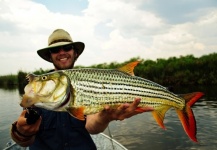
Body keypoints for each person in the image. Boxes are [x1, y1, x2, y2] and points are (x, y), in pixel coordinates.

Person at [11, 29, 153, 149]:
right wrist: (22, 132)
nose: (62, 52)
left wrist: (105, 117)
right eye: (55, 49)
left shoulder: (88, 80)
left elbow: (92, 126)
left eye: (67, 48)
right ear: (50, 56)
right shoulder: (41, 90)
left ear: (75, 53)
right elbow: (24, 142)